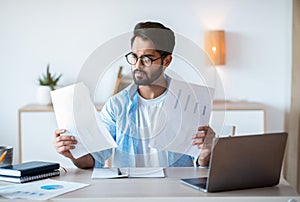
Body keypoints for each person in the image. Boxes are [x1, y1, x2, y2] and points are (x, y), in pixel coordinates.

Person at [54, 21, 215, 169]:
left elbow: (199, 163)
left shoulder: (190, 103)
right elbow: (94, 159)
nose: (137, 65)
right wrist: (73, 155)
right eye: (134, 57)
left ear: (166, 61)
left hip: (176, 193)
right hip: (129, 193)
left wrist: (206, 153)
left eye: (147, 59)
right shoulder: (116, 106)